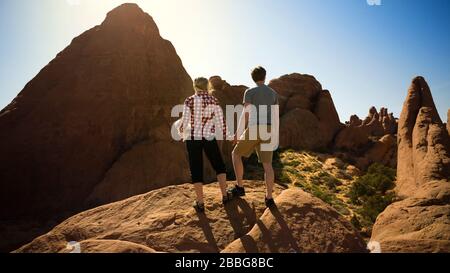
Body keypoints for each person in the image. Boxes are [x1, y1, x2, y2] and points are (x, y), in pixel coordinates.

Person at [179, 77, 233, 213]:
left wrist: (181, 132)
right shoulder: (213, 100)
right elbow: (221, 121)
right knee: (218, 164)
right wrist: (227, 135)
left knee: (196, 167)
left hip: (193, 137)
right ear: (207, 86)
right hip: (209, 136)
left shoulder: (189, 100)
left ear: (195, 86)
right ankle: (225, 195)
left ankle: (200, 203)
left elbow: (185, 121)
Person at [230, 66, 279, 207]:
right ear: (265, 76)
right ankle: (269, 198)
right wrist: (274, 134)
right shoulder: (273, 93)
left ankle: (239, 187)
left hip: (254, 127)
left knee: (236, 154)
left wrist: (238, 134)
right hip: (269, 129)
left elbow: (245, 114)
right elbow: (275, 116)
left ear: (253, 78)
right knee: (268, 166)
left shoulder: (250, 92)